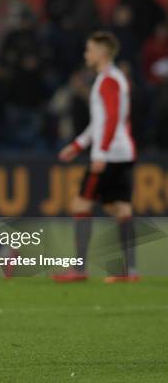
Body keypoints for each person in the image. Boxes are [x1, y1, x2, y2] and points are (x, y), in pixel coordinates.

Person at [53, 31, 137, 283]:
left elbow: (111, 118)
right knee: (119, 207)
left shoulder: (109, 80)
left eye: (89, 49)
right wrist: (78, 145)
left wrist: (101, 153)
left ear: (102, 53)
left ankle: (78, 269)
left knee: (81, 205)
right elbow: (101, 122)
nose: (85, 54)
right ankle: (129, 271)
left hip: (109, 154)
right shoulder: (111, 78)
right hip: (122, 152)